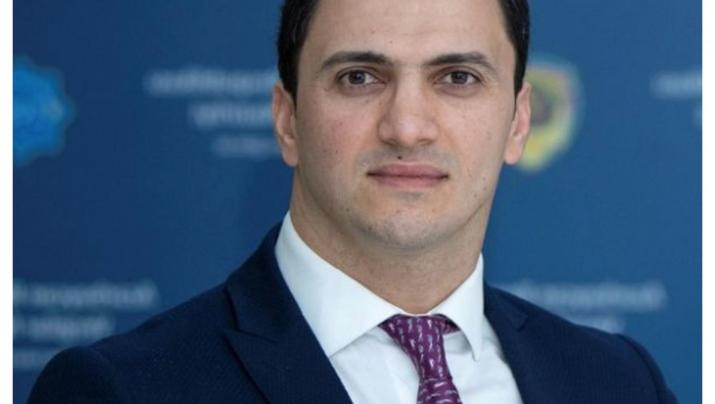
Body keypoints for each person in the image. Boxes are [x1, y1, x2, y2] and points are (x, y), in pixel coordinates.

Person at [28, 0, 677, 403]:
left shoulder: (617, 382)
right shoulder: (122, 391)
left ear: (518, 121)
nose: (407, 127)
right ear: (287, 120)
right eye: (359, 77)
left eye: (457, 77)